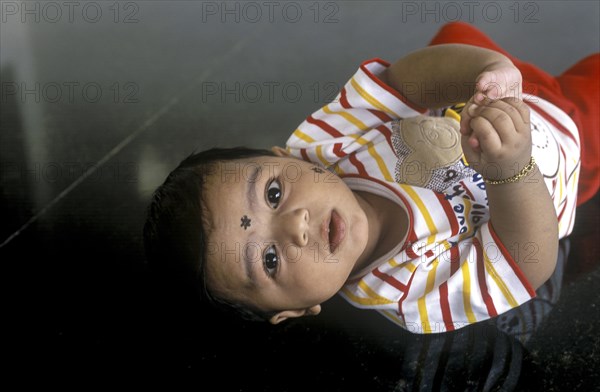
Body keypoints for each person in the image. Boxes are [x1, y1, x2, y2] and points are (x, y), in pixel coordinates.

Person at [143, 22, 599, 333]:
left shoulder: (325, 144)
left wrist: (486, 73)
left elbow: (403, 83)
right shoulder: (410, 294)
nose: (296, 226)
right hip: (569, 151)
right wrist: (512, 169)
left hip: (504, 96)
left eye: (274, 192)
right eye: (268, 260)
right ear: (295, 311)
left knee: (446, 49)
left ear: (287, 157)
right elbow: (528, 260)